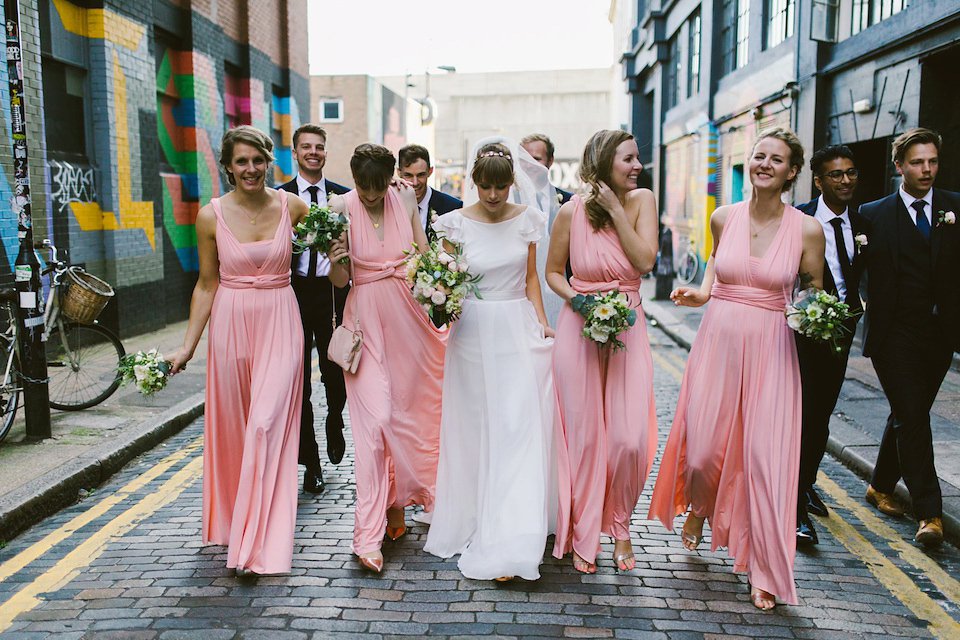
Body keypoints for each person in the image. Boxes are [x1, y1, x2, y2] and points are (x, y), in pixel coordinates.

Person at [648, 128, 825, 610]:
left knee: (765, 464)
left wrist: (814, 315)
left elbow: (811, 292)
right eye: (759, 155)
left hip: (771, 349)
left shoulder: (808, 230)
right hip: (718, 342)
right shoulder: (723, 217)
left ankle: (764, 569)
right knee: (703, 453)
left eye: (777, 159)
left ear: (792, 171)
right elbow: (714, 271)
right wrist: (700, 293)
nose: (765, 163)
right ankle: (699, 508)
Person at [168, 125, 309, 576]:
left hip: (281, 322)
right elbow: (207, 284)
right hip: (231, 324)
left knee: (266, 424)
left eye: (258, 160)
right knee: (236, 430)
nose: (251, 169)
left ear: (269, 161)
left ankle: (258, 539)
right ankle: (237, 520)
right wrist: (187, 347)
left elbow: (336, 249)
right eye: (241, 161)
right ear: (228, 166)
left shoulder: (296, 207)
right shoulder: (210, 216)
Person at [424, 142, 556, 582]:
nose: (494, 195)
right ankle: (475, 517)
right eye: (486, 187)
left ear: (512, 184)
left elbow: (532, 280)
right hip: (472, 335)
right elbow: (444, 282)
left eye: (501, 187)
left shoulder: (529, 221)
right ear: (473, 183)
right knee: (475, 428)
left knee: (518, 427)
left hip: (517, 329)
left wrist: (541, 324)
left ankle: (512, 534)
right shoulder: (452, 225)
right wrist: (440, 303)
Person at [326, 143, 446, 573]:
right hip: (366, 323)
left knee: (408, 416)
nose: (372, 195)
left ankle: (397, 509)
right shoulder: (338, 205)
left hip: (408, 319)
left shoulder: (407, 197)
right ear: (354, 179)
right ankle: (366, 535)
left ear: (390, 179)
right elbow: (341, 280)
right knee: (375, 423)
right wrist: (335, 259)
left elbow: (423, 257)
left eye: (378, 187)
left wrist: (443, 291)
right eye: (365, 187)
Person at [546, 129, 658, 574]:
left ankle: (621, 523)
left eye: (637, 159)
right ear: (604, 161)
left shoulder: (641, 201)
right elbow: (555, 272)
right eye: (628, 159)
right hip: (579, 326)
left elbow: (645, 261)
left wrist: (615, 209)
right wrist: (577, 301)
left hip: (628, 325)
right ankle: (583, 528)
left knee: (629, 439)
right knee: (585, 437)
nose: (638, 167)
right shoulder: (569, 212)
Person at [858, 128, 960, 548]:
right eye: (918, 162)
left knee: (907, 411)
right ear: (899, 166)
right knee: (914, 416)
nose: (927, 170)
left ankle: (880, 484)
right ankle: (929, 512)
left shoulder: (954, 208)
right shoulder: (872, 213)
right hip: (893, 334)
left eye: (933, 161)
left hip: (938, 336)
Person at [794, 145, 867, 546]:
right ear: (818, 180)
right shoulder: (800, 219)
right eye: (836, 174)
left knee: (822, 413)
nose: (846, 180)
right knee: (800, 412)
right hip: (798, 331)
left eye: (851, 173)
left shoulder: (865, 220)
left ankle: (806, 482)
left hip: (840, 331)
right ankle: (795, 496)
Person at [279, 124, 350, 494]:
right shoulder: (279, 198)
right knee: (299, 383)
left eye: (319, 147)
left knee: (335, 371)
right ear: (295, 152)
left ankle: (335, 417)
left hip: (334, 294)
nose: (313, 152)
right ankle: (311, 462)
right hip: (291, 295)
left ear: (325, 152)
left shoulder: (342, 197)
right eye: (306, 147)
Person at [397, 143, 462, 241]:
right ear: (399, 173)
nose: (415, 182)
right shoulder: (390, 205)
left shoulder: (452, 207)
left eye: (420, 175)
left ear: (430, 171)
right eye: (408, 175)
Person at [521, 133, 574, 214]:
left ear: (550, 161)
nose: (529, 165)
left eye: (536, 159)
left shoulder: (569, 200)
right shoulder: (510, 200)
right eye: (525, 159)